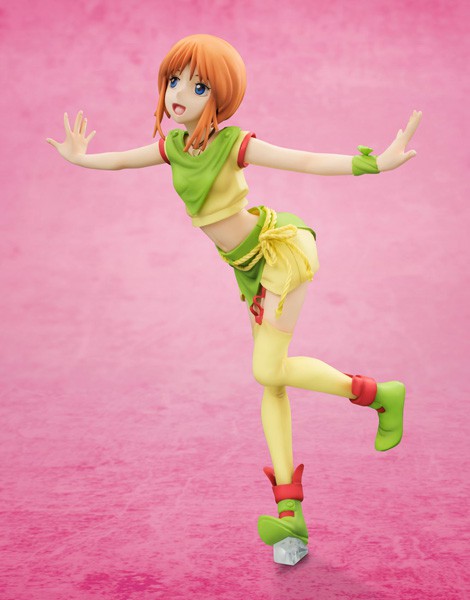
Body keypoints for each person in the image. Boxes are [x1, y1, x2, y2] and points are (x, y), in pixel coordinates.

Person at [47, 33, 422, 563]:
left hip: (279, 252)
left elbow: (303, 161)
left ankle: (379, 394)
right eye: (174, 81)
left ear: (220, 96)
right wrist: (80, 159)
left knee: (267, 369)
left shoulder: (234, 143)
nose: (180, 94)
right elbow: (123, 161)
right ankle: (289, 514)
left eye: (198, 86)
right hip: (246, 270)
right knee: (272, 382)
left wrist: (372, 164)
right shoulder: (173, 148)